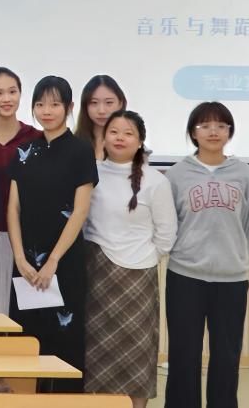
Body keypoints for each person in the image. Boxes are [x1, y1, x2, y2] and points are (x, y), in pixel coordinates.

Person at [164, 102, 249, 408]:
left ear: (230, 132)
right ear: (193, 132)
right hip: (185, 276)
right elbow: (169, 223)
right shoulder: (176, 174)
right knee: (183, 354)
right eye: (205, 125)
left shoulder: (246, 175)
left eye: (221, 125)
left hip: (231, 280)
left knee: (227, 355)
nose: (213, 132)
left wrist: (232, 258)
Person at [7, 75, 97, 393]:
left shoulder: (80, 151)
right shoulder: (24, 150)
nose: (47, 111)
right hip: (26, 265)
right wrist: (20, 258)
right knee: (27, 340)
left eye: (55, 104)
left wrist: (54, 260)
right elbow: (13, 208)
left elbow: (80, 211)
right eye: (40, 104)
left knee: (64, 341)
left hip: (64, 262)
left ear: (69, 108)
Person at [83, 110, 177, 408]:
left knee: (137, 354)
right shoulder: (91, 173)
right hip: (97, 276)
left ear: (140, 141)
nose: (120, 138)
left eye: (128, 133)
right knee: (97, 354)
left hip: (137, 278)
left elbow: (166, 234)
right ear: (103, 137)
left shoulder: (155, 181)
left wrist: (145, 257)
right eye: (114, 132)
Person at [0, 66, 42, 314]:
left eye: (12, 92)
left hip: (29, 239)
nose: (6, 99)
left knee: (28, 315)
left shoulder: (37, 139)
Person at [73, 75, 127, 160]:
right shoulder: (72, 144)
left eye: (109, 102)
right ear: (85, 106)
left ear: (120, 103)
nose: (101, 111)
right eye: (94, 102)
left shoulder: (131, 143)